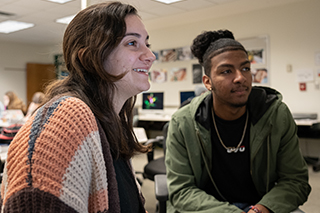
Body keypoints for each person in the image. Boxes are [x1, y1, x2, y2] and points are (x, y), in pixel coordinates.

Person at [0, 1, 155, 212]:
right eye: (131, 43)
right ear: (91, 57)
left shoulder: (109, 120)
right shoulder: (66, 116)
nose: (150, 56)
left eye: (147, 44)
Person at [165, 30, 311, 213]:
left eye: (245, 68)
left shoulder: (276, 115)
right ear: (207, 82)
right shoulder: (183, 122)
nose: (240, 78)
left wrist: (260, 209)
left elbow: (295, 180)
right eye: (226, 71)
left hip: (261, 204)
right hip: (206, 209)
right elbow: (181, 191)